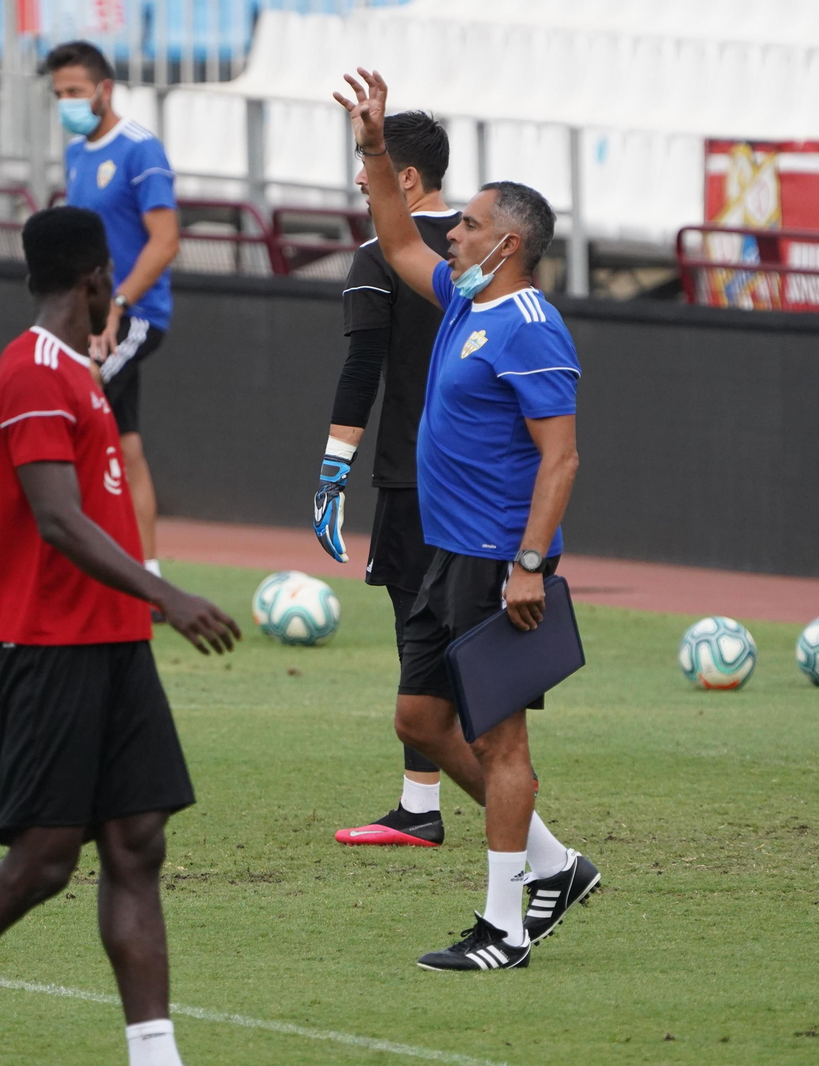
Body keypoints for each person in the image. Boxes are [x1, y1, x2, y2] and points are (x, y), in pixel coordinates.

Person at [0, 206, 240, 1066]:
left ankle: (154, 1056)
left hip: (111, 645)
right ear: (96, 280)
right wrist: (167, 596)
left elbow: (69, 525)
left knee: (138, 842)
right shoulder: (31, 372)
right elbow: (56, 521)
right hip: (55, 650)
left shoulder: (75, 371)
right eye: (111, 285)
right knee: (43, 861)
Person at [334, 69, 599, 972]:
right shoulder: (463, 301)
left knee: (502, 739)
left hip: (498, 565)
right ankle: (555, 866)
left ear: (509, 243)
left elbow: (560, 457)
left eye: (472, 224)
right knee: (420, 718)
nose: (455, 233)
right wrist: (374, 148)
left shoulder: (530, 325)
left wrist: (531, 562)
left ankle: (504, 929)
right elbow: (393, 232)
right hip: (447, 556)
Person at [315, 111, 461, 850]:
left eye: (367, 166)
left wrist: (332, 474)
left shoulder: (381, 255)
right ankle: (505, 774)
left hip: (412, 481)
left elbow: (362, 369)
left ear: (404, 179)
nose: (357, 180)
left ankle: (423, 806)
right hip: (488, 483)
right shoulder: (493, 248)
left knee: (420, 633)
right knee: (478, 628)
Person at [48, 40, 181, 586]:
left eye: (75, 92)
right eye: (58, 94)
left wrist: (118, 306)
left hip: (134, 315)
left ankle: (86, 568)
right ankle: (146, 573)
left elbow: (165, 240)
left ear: (104, 90)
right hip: (90, 317)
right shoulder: (76, 154)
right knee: (126, 446)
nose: (67, 103)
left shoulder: (139, 149)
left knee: (75, 410)